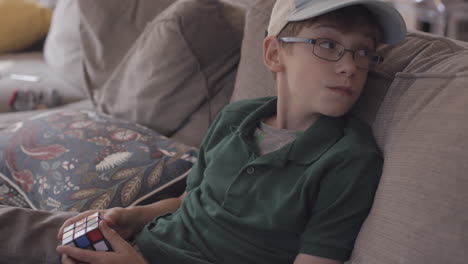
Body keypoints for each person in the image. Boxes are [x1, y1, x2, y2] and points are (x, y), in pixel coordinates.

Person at [0, 0, 406, 263]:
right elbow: (191, 199)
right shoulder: (236, 119)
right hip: (139, 244)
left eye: (363, 52)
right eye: (328, 45)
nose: (350, 66)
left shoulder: (348, 161)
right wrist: (131, 216)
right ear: (274, 54)